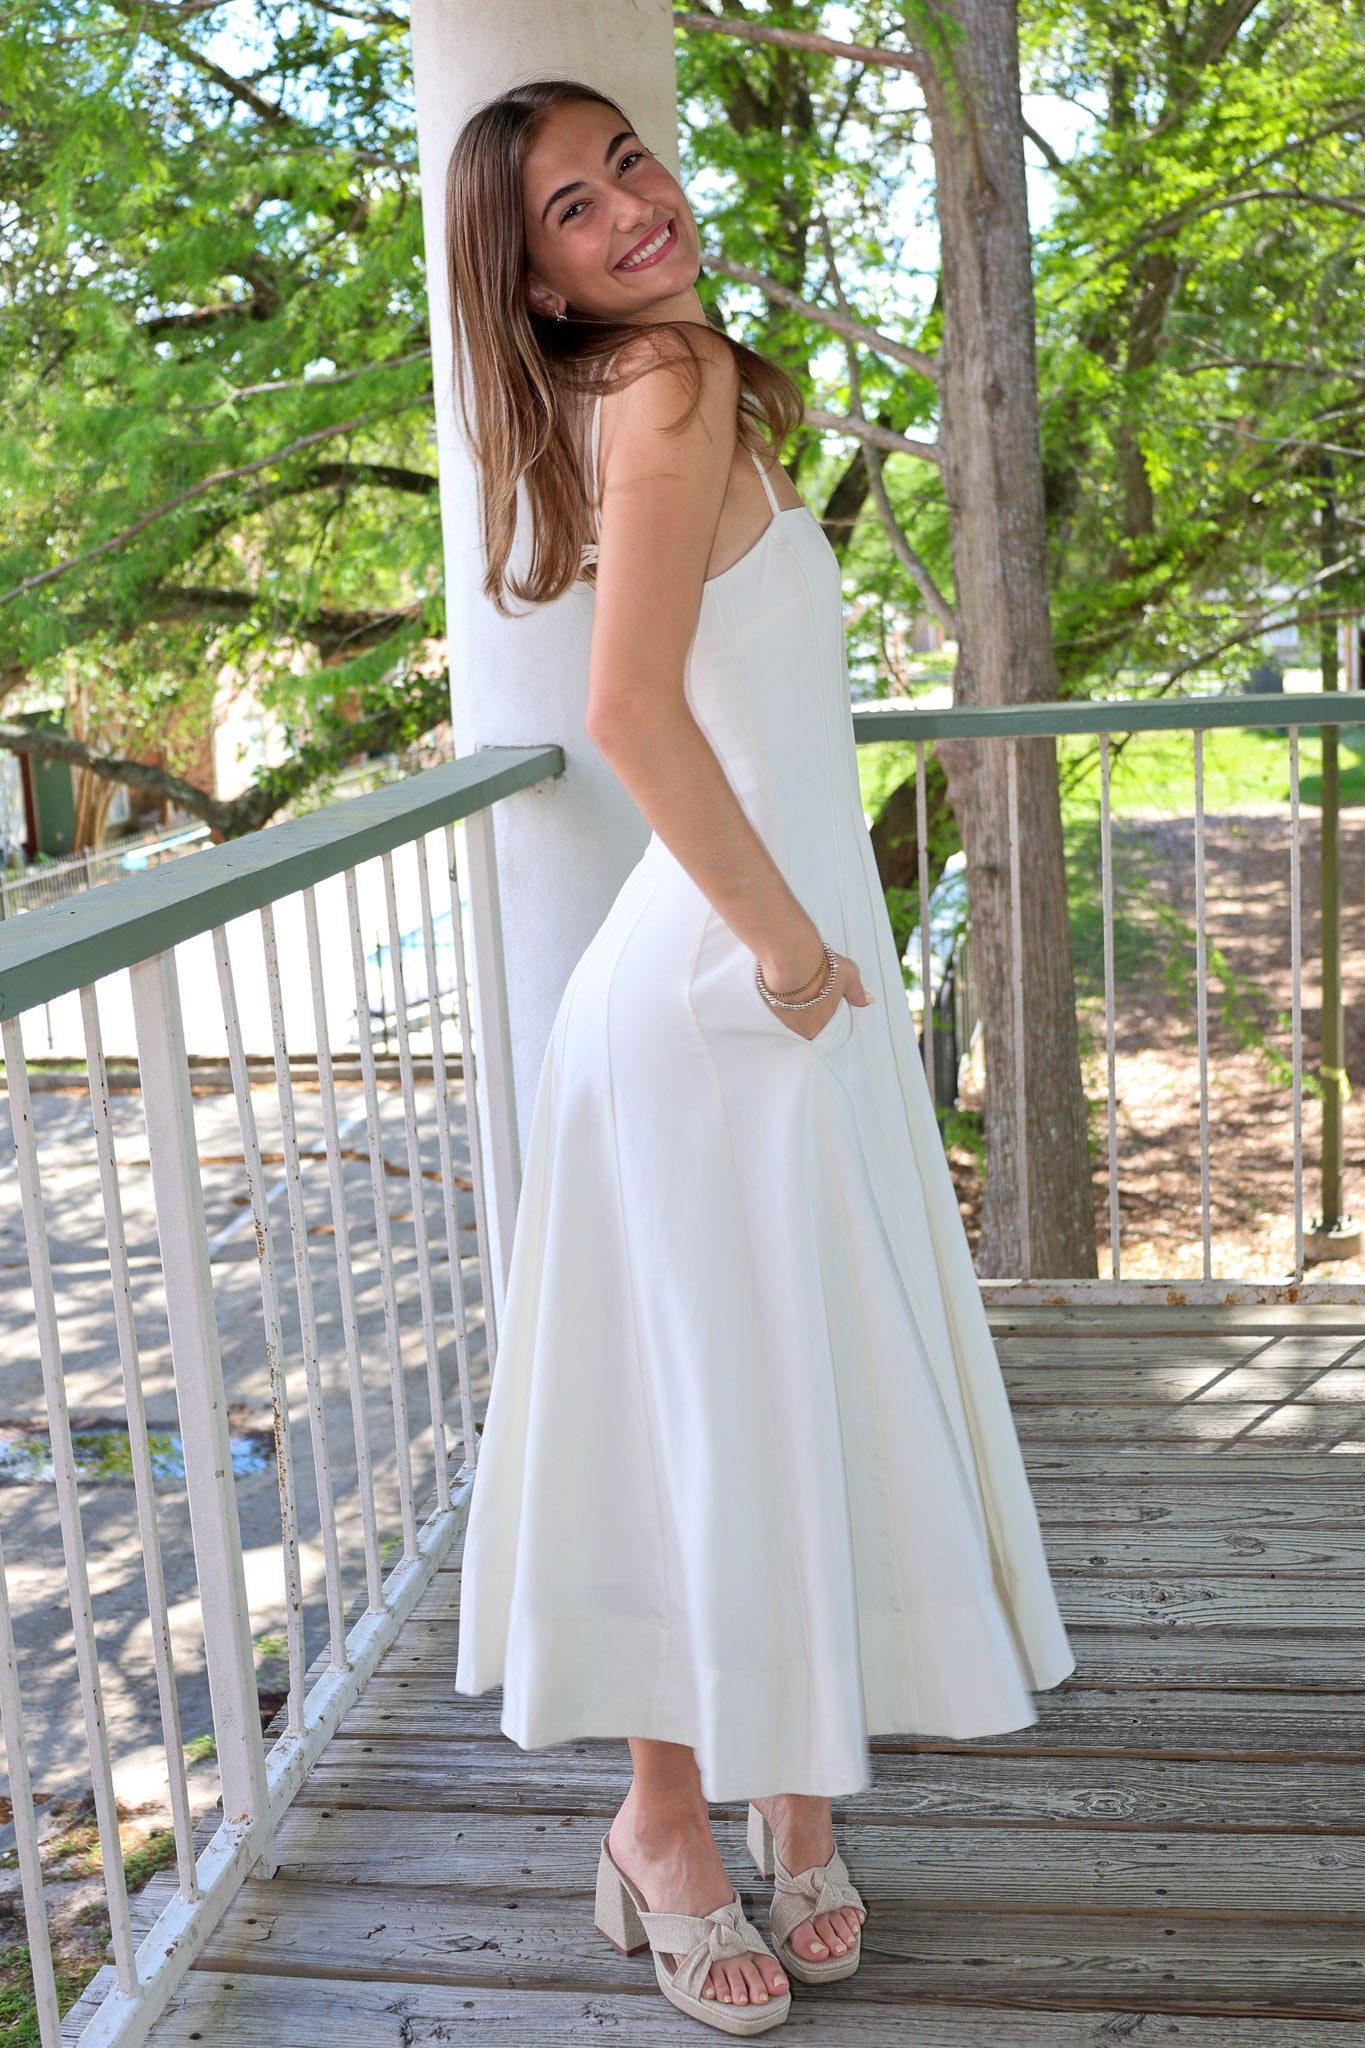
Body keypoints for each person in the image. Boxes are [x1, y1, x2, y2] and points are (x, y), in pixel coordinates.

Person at [444, 79, 1075, 2036]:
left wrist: (806, 956)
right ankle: (663, 1830)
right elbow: (629, 711)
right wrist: (792, 948)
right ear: (537, 285)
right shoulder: (663, 383)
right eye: (571, 207)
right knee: (703, 1411)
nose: (630, 205)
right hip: (728, 995)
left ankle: (792, 1806)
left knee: (780, 1393)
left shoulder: (680, 381)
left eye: (626, 161)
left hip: (768, 990)